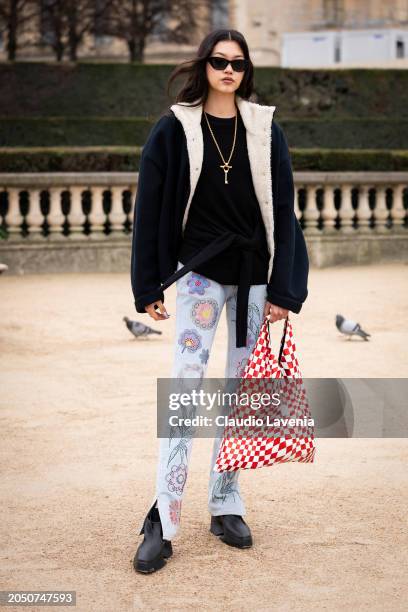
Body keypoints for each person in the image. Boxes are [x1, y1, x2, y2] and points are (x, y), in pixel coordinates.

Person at [130, 28, 309, 573]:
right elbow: (151, 204)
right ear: (204, 66)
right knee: (185, 395)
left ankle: (226, 502)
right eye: (218, 61)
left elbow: (284, 205)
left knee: (240, 395)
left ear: (246, 70)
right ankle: (164, 516)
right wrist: (149, 283)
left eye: (237, 62)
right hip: (201, 277)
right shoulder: (174, 128)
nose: (228, 70)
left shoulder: (263, 127)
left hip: (255, 277)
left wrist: (285, 289)